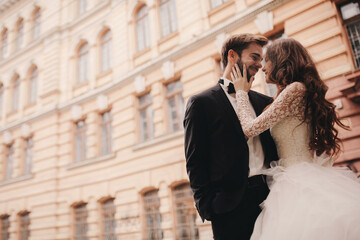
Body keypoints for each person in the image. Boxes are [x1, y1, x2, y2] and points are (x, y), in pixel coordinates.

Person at [231, 38, 360, 240]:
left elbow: (250, 128)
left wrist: (240, 93)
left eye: (267, 61)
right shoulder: (292, 92)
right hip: (291, 177)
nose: (263, 68)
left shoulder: (295, 89)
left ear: (281, 61)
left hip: (298, 181)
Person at [183, 33, 279, 240]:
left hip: (271, 198)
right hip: (228, 206)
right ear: (233, 56)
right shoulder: (201, 103)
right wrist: (207, 206)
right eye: (254, 57)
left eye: (261, 59)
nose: (260, 65)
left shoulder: (264, 102)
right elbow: (195, 160)